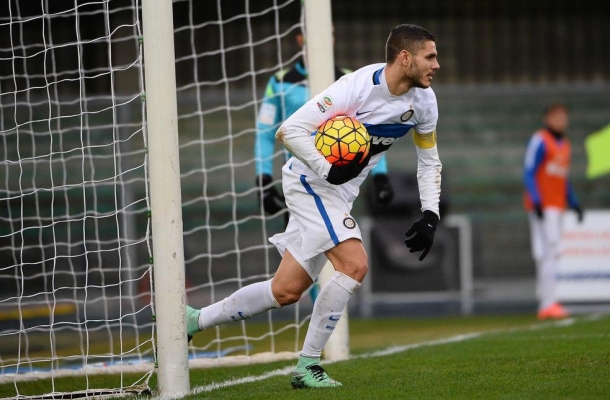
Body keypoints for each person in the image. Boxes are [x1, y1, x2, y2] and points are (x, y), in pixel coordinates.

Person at [187, 23, 442, 389]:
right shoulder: (355, 87)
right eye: (429, 57)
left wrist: (430, 214)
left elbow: (429, 161)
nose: (436, 65)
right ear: (405, 57)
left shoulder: (425, 103)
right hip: (310, 182)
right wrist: (328, 170)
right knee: (355, 265)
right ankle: (307, 366)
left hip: (339, 193)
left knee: (285, 290)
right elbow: (288, 130)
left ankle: (195, 319)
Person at [254, 29, 395, 302]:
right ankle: (323, 323)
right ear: (300, 39)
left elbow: (367, 134)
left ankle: (326, 325)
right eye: (318, 33)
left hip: (342, 180)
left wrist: (380, 176)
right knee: (305, 271)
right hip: (302, 181)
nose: (325, 38)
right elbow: (265, 133)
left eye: (330, 33)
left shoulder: (352, 79)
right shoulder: (280, 82)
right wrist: (263, 179)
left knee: (330, 261)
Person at [523, 102, 584, 320]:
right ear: (547, 118)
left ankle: (547, 300)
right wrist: (537, 201)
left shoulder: (565, 144)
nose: (561, 121)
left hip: (557, 205)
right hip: (544, 205)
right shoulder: (540, 140)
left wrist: (574, 202)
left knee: (550, 253)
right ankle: (548, 303)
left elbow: (562, 177)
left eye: (564, 117)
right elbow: (529, 171)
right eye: (557, 117)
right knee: (548, 252)